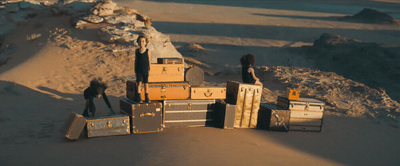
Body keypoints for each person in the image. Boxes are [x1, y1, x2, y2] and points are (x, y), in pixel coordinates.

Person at [135, 35, 151, 103]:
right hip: (139, 70)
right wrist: (135, 70)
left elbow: (149, 61)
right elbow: (136, 61)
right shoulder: (137, 51)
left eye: (143, 41)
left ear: (145, 43)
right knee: (139, 83)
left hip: (145, 69)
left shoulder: (148, 51)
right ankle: (139, 98)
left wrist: (149, 69)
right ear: (138, 42)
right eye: (140, 41)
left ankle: (146, 97)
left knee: (146, 84)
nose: (141, 43)